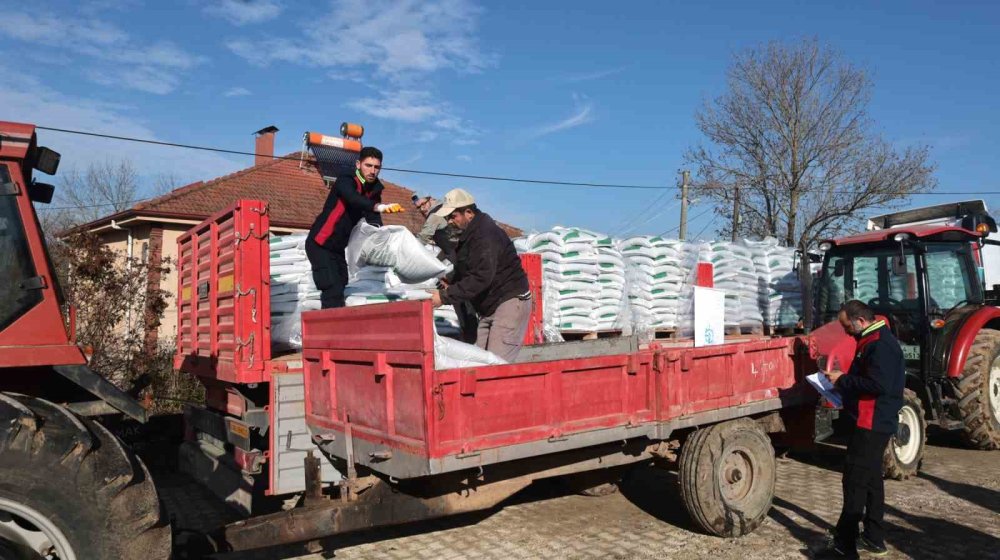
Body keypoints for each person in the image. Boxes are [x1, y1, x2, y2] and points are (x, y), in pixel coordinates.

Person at [815, 300, 905, 559]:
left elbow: (877, 384)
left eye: (847, 326)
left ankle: (845, 545)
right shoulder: (872, 338)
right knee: (871, 479)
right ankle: (874, 538)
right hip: (870, 419)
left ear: (860, 321)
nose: (846, 332)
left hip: (871, 421)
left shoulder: (879, 345)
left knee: (854, 481)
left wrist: (842, 379)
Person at [428, 189, 531, 361]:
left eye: (453, 216)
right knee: (477, 362)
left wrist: (444, 297)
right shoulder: (470, 235)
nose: (450, 221)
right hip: (490, 306)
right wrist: (452, 282)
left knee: (494, 368)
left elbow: (481, 276)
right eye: (448, 218)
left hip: (509, 301)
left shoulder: (486, 235)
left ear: (468, 212)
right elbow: (470, 270)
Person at [305, 146, 403, 309]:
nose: (372, 171)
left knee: (342, 283)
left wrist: (380, 237)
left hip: (337, 248)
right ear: (358, 164)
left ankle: (337, 327)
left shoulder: (374, 190)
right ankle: (330, 331)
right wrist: (379, 207)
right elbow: (353, 199)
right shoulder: (346, 179)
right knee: (331, 287)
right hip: (320, 243)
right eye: (368, 165)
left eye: (376, 167)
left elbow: (373, 219)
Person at [412, 193, 479, 344]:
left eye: (423, 204)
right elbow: (446, 246)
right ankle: (471, 332)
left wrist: (408, 254)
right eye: (419, 208)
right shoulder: (441, 215)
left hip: (460, 263)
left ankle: (470, 335)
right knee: (462, 296)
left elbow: (422, 238)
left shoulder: (434, 216)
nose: (422, 209)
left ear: (430, 199)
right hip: (459, 261)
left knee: (458, 296)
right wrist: (436, 262)